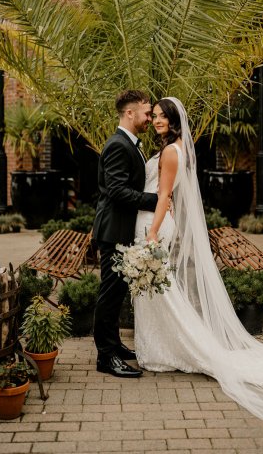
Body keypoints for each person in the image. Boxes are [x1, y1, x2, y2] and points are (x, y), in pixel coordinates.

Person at [134, 96, 263, 420]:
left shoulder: (171, 151)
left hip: (156, 226)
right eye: (154, 116)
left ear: (173, 120)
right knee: (160, 289)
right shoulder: (180, 146)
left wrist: (153, 233)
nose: (157, 120)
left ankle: (175, 350)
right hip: (158, 223)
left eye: (162, 116)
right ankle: (162, 348)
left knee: (161, 291)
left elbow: (165, 196)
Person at [93, 89, 158, 378]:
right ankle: (105, 357)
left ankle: (115, 345)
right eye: (146, 113)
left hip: (121, 229)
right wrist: (156, 201)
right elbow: (117, 191)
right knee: (109, 293)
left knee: (118, 291)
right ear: (129, 113)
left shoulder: (130, 143)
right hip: (113, 231)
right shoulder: (118, 145)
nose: (149, 118)